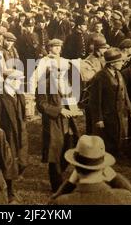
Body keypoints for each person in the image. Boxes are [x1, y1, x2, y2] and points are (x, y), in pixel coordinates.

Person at [49, 135, 131, 205]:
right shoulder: (124, 198)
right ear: (103, 167)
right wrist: (115, 178)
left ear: (76, 168)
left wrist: (69, 184)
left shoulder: (62, 202)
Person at [35, 50, 81, 192]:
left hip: (68, 123)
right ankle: (56, 187)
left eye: (64, 70)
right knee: (54, 155)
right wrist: (60, 111)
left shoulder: (66, 82)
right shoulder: (45, 83)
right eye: (58, 70)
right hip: (53, 123)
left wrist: (75, 109)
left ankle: (59, 175)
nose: (61, 73)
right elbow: (41, 105)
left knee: (69, 150)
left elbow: (70, 99)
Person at [0, 69, 28, 203]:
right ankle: (9, 191)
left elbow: (22, 116)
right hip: (7, 135)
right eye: (18, 80)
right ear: (9, 81)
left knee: (22, 162)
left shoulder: (19, 96)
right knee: (8, 162)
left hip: (20, 134)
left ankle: (10, 187)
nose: (20, 83)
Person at [89, 48, 131, 156]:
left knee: (118, 134)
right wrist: (98, 119)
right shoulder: (100, 77)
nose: (122, 63)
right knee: (107, 137)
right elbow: (95, 101)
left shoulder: (119, 74)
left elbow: (125, 94)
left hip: (119, 113)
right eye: (120, 61)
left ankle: (117, 153)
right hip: (107, 114)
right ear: (112, 63)